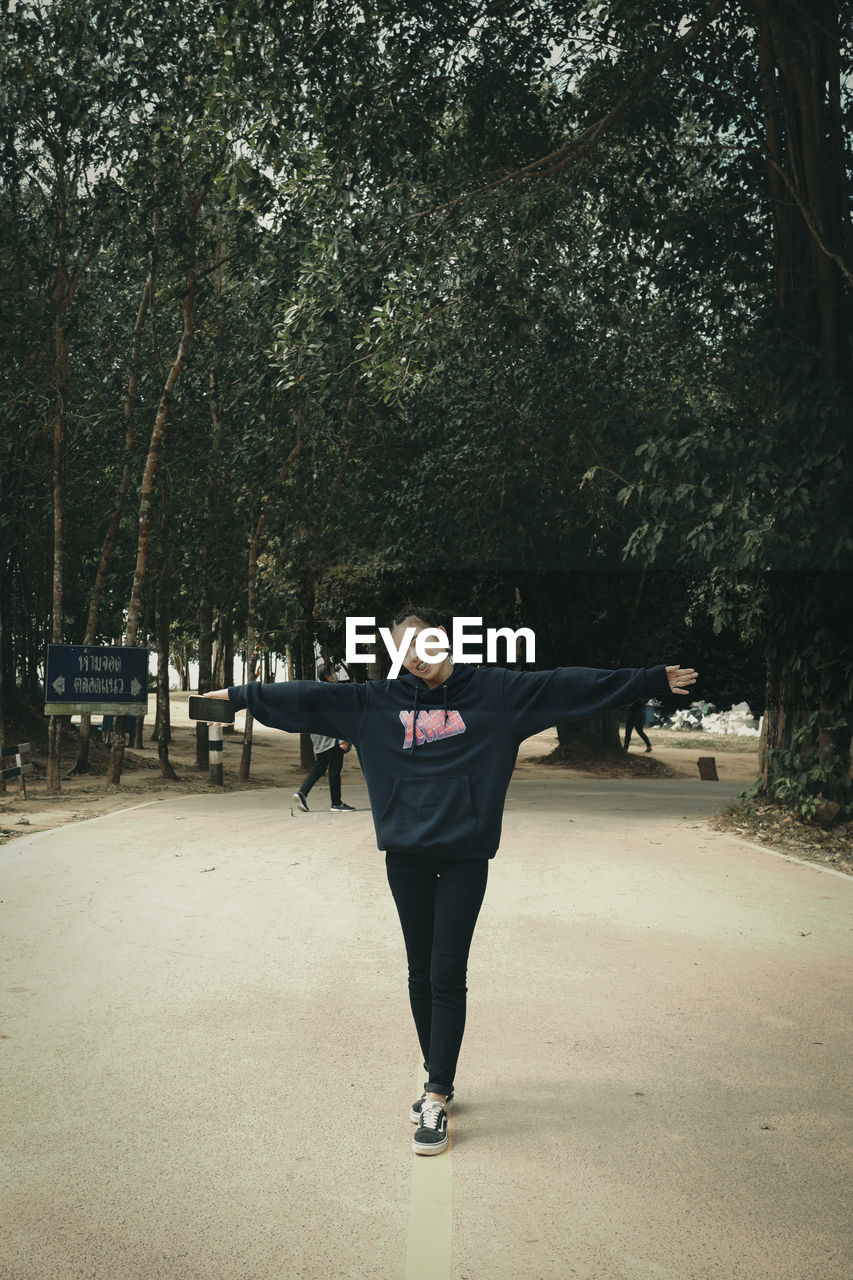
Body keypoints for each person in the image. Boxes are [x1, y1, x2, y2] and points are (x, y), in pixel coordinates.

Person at [204, 606, 698, 1157]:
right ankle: (437, 1072)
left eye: (423, 640)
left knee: (446, 969)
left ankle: (437, 1094)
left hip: (465, 854)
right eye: (402, 647)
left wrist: (650, 680)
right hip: (406, 855)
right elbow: (301, 699)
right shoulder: (375, 703)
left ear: (447, 639)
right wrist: (239, 695)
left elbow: (566, 686)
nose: (414, 652)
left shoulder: (496, 693)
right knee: (419, 972)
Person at [292, 663, 356, 813]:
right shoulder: (331, 691)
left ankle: (302, 793)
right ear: (327, 676)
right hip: (332, 737)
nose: (335, 675)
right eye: (333, 673)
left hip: (318, 738)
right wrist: (344, 738)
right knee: (335, 769)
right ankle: (336, 803)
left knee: (320, 766)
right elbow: (337, 717)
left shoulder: (315, 691)